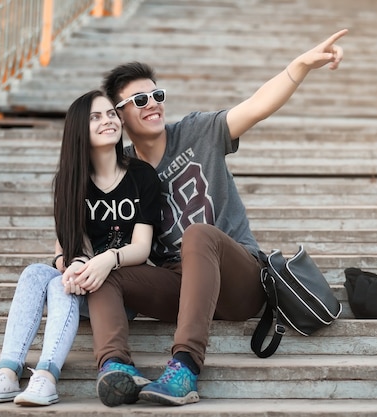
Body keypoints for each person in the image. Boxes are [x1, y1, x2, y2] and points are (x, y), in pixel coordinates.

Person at [88, 29, 348, 407]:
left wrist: (299, 67)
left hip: (238, 277)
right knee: (105, 273)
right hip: (179, 284)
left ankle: (185, 367)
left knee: (198, 235)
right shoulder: (123, 171)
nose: (153, 104)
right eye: (140, 99)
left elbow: (257, 105)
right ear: (120, 115)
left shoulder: (199, 131)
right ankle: (115, 367)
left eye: (157, 95)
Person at [0, 90, 161, 407]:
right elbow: (70, 241)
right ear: (78, 130)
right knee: (35, 274)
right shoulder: (70, 181)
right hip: (79, 281)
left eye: (111, 113)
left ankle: (46, 377)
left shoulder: (142, 176)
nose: (108, 121)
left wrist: (105, 262)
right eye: (95, 117)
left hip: (118, 290)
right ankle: (8, 373)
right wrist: (69, 261)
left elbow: (142, 247)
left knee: (60, 286)